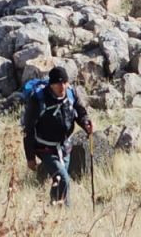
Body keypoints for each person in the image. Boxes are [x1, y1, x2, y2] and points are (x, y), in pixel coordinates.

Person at [22, 66, 93, 206]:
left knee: (59, 181)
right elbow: (28, 130)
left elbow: (80, 112)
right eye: (57, 84)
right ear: (51, 84)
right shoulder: (39, 100)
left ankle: (54, 209)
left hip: (65, 146)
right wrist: (30, 158)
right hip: (45, 148)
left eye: (64, 83)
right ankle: (66, 212)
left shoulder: (72, 94)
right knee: (64, 179)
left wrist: (85, 124)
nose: (61, 87)